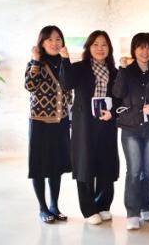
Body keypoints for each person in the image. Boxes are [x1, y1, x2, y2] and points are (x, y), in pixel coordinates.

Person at [59, 31, 120, 225]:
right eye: (95, 44)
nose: (100, 48)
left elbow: (120, 97)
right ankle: (88, 209)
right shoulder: (80, 68)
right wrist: (65, 60)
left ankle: (103, 205)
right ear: (88, 47)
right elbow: (66, 83)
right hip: (84, 124)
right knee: (85, 164)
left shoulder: (115, 71)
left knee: (106, 163)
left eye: (104, 44)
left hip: (107, 123)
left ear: (109, 48)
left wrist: (113, 112)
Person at [24, 25, 73, 224]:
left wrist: (67, 60)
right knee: (39, 166)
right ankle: (43, 208)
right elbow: (29, 85)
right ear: (42, 43)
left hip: (61, 122)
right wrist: (36, 60)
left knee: (56, 166)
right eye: (50, 40)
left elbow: (70, 86)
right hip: (40, 123)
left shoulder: (64, 62)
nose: (54, 43)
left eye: (58, 39)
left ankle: (54, 206)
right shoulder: (36, 62)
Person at [113, 33, 149, 230]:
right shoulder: (127, 70)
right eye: (141, 47)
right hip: (130, 128)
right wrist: (122, 70)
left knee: (148, 171)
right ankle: (132, 212)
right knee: (134, 171)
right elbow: (117, 93)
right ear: (134, 49)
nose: (145, 52)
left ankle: (147, 206)